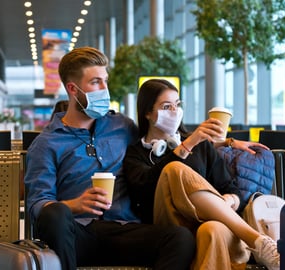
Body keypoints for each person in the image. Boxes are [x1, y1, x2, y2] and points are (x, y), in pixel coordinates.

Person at [24, 47, 195, 270]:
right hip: (78, 234)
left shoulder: (122, 126)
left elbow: (164, 137)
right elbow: (37, 204)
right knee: (55, 213)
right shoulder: (47, 143)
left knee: (180, 238)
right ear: (73, 89)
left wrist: (228, 142)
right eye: (96, 82)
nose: (105, 89)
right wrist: (74, 205)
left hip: (124, 230)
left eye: (105, 81)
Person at [123, 79, 280, 270]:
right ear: (147, 112)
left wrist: (229, 201)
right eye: (166, 106)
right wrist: (187, 145)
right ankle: (255, 239)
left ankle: (261, 245)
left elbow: (232, 190)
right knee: (173, 169)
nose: (174, 111)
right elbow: (142, 191)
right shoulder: (136, 152)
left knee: (212, 230)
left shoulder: (202, 146)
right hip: (168, 227)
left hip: (211, 222)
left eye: (177, 104)